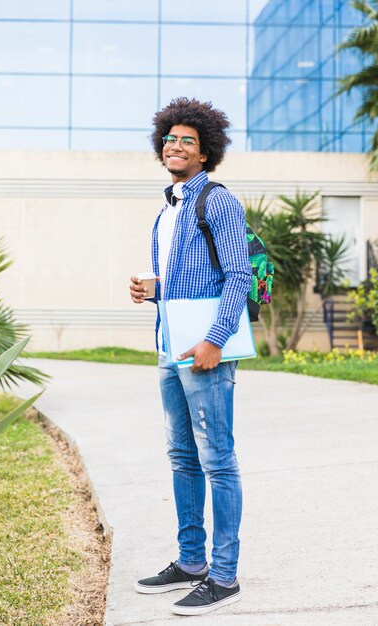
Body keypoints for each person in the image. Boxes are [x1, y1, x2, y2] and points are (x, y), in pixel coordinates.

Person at [129, 97, 252, 616]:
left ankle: (224, 576)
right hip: (169, 345)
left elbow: (238, 277)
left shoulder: (217, 202)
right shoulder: (168, 208)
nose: (175, 146)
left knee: (217, 460)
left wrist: (216, 340)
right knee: (182, 457)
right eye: (170, 139)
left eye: (187, 141)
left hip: (206, 351)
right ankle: (191, 561)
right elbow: (188, 281)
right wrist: (152, 289)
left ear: (205, 154)